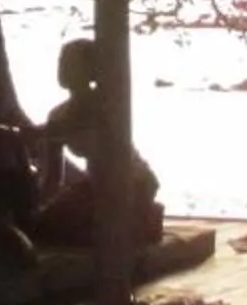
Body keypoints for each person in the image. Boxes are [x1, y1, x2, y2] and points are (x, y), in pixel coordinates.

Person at [28, 36, 161, 247]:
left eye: (71, 62)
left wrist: (39, 132)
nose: (62, 67)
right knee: (44, 227)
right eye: (61, 60)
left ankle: (141, 220)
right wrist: (40, 206)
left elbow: (74, 124)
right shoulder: (56, 114)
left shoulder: (105, 104)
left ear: (90, 70)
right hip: (95, 185)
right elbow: (53, 176)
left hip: (134, 181)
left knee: (98, 233)